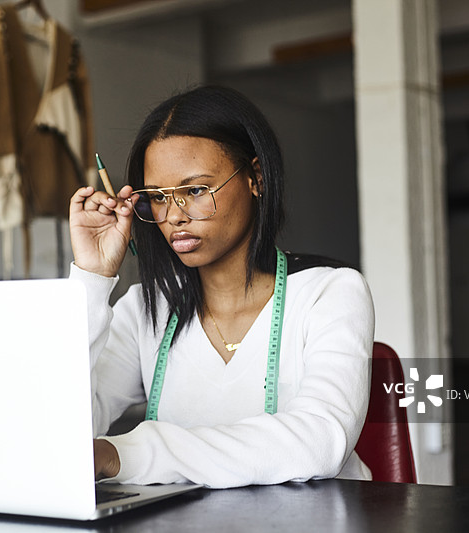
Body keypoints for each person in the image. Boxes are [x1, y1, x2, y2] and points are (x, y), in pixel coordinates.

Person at [68, 85, 374, 488]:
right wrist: (91, 279)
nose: (174, 216)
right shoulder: (145, 307)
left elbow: (319, 440)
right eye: (158, 197)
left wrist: (124, 454)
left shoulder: (330, 294)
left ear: (256, 178)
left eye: (195, 190)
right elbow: (65, 430)